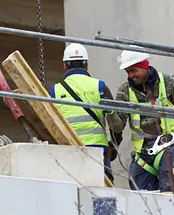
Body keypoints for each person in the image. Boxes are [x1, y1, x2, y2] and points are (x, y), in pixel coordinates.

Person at [110, 50, 174, 192]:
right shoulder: (125, 91)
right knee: (139, 197)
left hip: (168, 147)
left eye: (133, 70)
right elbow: (118, 126)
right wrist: (110, 113)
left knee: (169, 194)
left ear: (144, 65)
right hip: (142, 155)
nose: (131, 76)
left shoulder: (166, 83)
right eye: (128, 72)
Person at [50, 43, 121, 183]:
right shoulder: (100, 87)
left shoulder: (55, 91)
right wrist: (115, 143)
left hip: (69, 150)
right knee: (103, 195)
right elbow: (116, 126)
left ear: (65, 66)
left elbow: (48, 124)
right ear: (86, 65)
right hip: (98, 150)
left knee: (73, 194)